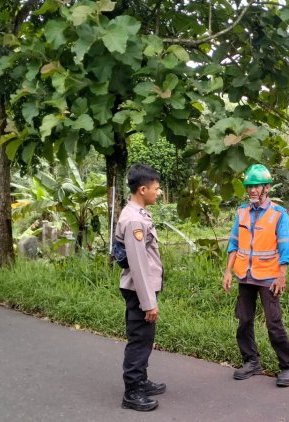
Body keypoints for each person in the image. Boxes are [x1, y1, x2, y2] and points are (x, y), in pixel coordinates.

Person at [222, 164, 289, 387]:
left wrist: (282, 275)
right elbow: (234, 243)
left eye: (257, 186)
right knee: (244, 321)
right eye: (249, 187)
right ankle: (251, 361)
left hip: (269, 277)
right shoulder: (242, 212)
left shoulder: (278, 214)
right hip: (245, 275)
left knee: (274, 322)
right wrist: (228, 271)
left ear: (267, 187)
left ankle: (288, 366)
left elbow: (285, 247)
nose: (253, 191)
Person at [115, 164, 165, 412]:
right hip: (139, 290)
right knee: (139, 340)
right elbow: (138, 265)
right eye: (156, 188)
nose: (159, 192)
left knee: (145, 338)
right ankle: (132, 391)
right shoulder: (135, 219)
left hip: (141, 288)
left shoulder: (139, 213)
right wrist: (149, 303)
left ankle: (141, 381)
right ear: (143, 189)